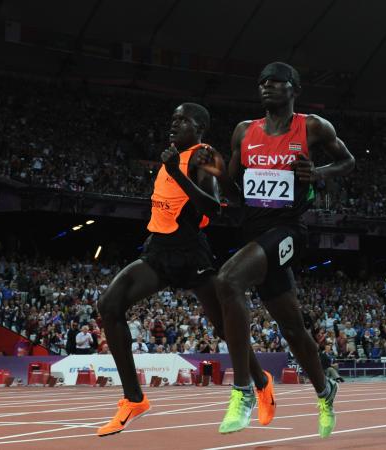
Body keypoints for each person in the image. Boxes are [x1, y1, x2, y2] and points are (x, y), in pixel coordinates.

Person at [96, 103, 275, 437]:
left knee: (224, 328)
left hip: (191, 254)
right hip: (158, 252)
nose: (174, 124)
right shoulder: (173, 155)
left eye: (183, 120)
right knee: (108, 305)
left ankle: (262, 383)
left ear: (200, 128)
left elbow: (214, 207)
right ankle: (134, 399)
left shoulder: (203, 155)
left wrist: (177, 173)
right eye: (173, 118)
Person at [199, 62, 355, 437]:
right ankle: (324, 389)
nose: (267, 87)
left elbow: (348, 161)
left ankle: (244, 392)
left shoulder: (313, 127)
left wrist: (318, 174)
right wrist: (212, 172)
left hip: (288, 230)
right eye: (262, 83)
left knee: (229, 280)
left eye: (276, 83)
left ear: (294, 89)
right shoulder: (244, 131)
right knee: (293, 329)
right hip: (253, 231)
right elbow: (234, 185)